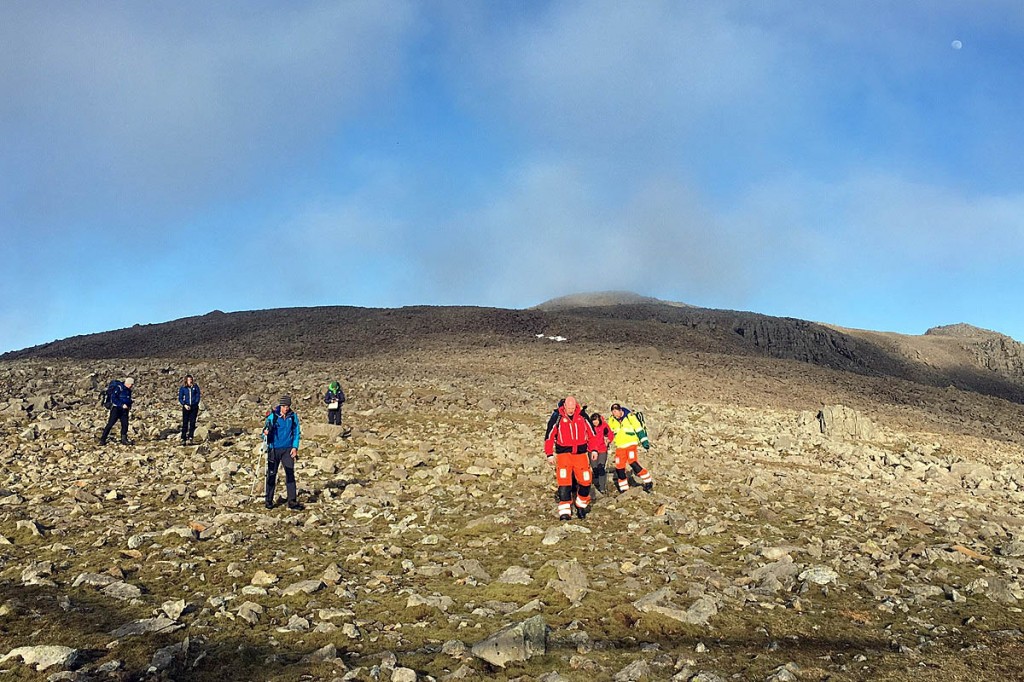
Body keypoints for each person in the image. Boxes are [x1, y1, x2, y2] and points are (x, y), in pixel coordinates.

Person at [544, 396, 602, 521]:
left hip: (581, 455)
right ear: (564, 406)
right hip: (564, 455)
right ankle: (565, 512)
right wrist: (549, 454)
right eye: (568, 408)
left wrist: (594, 449)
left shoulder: (582, 416)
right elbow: (549, 436)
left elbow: (592, 434)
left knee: (586, 481)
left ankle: (581, 505)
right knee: (564, 483)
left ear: (575, 406)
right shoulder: (557, 417)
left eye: (572, 408)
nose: (570, 410)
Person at [262, 395, 303, 510]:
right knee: (271, 474)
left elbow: (296, 432)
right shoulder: (272, 417)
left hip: (287, 449)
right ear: (280, 406)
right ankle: (268, 500)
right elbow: (264, 432)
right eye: (284, 406)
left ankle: (292, 501)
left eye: (288, 406)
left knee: (290, 474)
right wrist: (265, 433)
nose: (286, 408)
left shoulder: (293, 417)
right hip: (274, 449)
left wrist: (295, 447)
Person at [607, 403, 654, 493]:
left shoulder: (630, 417)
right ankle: (624, 488)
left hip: (631, 443)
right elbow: (610, 432)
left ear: (620, 410)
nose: (614, 414)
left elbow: (638, 428)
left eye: (616, 411)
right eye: (613, 412)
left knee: (633, 462)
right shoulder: (612, 420)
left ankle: (648, 481)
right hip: (620, 446)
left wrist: (644, 441)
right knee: (619, 467)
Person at [100, 377, 134, 445]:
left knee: (125, 425)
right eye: (131, 384)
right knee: (110, 424)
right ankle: (103, 439)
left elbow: (127, 398)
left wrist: (129, 403)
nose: (132, 386)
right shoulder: (119, 388)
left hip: (124, 410)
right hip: (116, 409)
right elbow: (114, 398)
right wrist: (121, 405)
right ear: (127, 383)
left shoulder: (128, 390)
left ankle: (124, 440)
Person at [588, 412, 615, 494]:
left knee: (601, 467)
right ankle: (596, 482)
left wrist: (608, 440)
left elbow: (610, 434)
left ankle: (602, 487)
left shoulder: (604, 426)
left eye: (596, 420)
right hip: (591, 450)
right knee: (594, 467)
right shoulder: (588, 427)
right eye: (593, 420)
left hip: (602, 449)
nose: (595, 422)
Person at [178, 374, 201, 445]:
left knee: (192, 422)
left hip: (194, 407)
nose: (190, 381)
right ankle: (183, 438)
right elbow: (180, 398)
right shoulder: (183, 388)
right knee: (185, 423)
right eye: (188, 380)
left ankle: (191, 437)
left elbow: (198, 395)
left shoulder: (195, 387)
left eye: (191, 379)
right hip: (186, 407)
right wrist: (184, 404)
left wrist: (196, 403)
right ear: (186, 381)